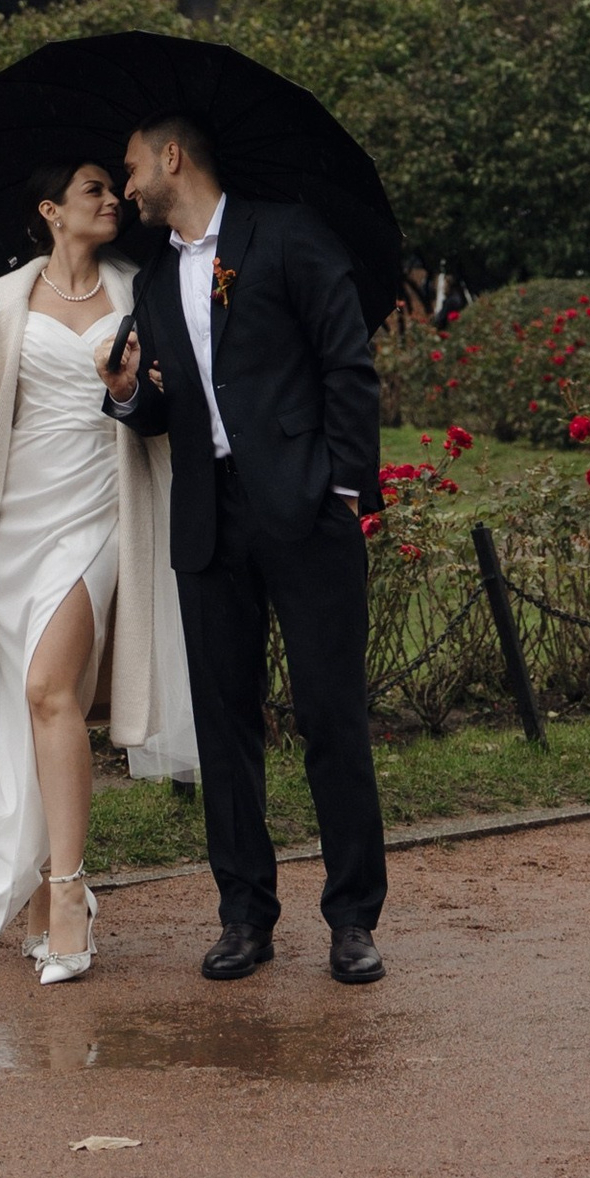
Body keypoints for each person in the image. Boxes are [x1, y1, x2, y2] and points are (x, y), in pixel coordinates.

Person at [106, 113, 388, 985]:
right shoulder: (152, 279)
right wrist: (124, 397)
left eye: (130, 167)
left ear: (173, 157)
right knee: (225, 727)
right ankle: (244, 916)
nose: (124, 188)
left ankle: (352, 919)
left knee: (330, 715)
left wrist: (341, 490)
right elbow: (161, 407)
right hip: (209, 517)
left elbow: (348, 365)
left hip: (304, 508)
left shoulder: (289, 234)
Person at [0, 159, 193, 987]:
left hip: (102, 508)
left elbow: (171, 403)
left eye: (112, 188)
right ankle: (39, 885)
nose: (111, 200)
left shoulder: (146, 289)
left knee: (45, 689)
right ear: (50, 210)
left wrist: (138, 389)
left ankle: (66, 892)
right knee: (16, 702)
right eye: (93, 190)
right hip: (13, 520)